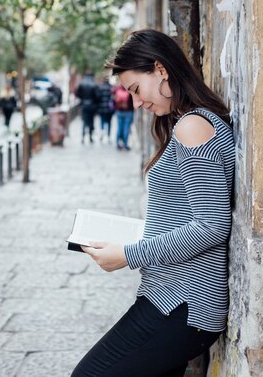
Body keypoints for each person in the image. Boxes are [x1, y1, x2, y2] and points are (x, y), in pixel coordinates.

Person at [71, 28, 235, 377]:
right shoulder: (189, 121)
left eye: (135, 89)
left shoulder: (193, 126)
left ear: (160, 70)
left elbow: (212, 225)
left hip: (183, 303)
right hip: (173, 297)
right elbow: (185, 215)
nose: (136, 102)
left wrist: (128, 255)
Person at [76, 72, 98, 143]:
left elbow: (77, 94)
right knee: (91, 122)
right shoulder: (93, 84)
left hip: (84, 105)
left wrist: (83, 99)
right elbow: (97, 96)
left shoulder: (81, 84)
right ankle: (90, 137)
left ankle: (83, 137)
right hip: (92, 106)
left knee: (85, 122)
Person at [112, 83, 134, 150]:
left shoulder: (117, 88)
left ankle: (118, 144)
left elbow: (113, 98)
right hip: (128, 111)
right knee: (126, 128)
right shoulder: (130, 89)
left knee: (119, 127)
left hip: (119, 111)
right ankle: (125, 145)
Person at [96, 76, 115, 142]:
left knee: (102, 121)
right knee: (109, 122)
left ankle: (102, 132)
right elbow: (113, 99)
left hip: (101, 108)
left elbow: (97, 98)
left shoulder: (100, 88)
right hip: (109, 109)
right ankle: (109, 136)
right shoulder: (111, 87)